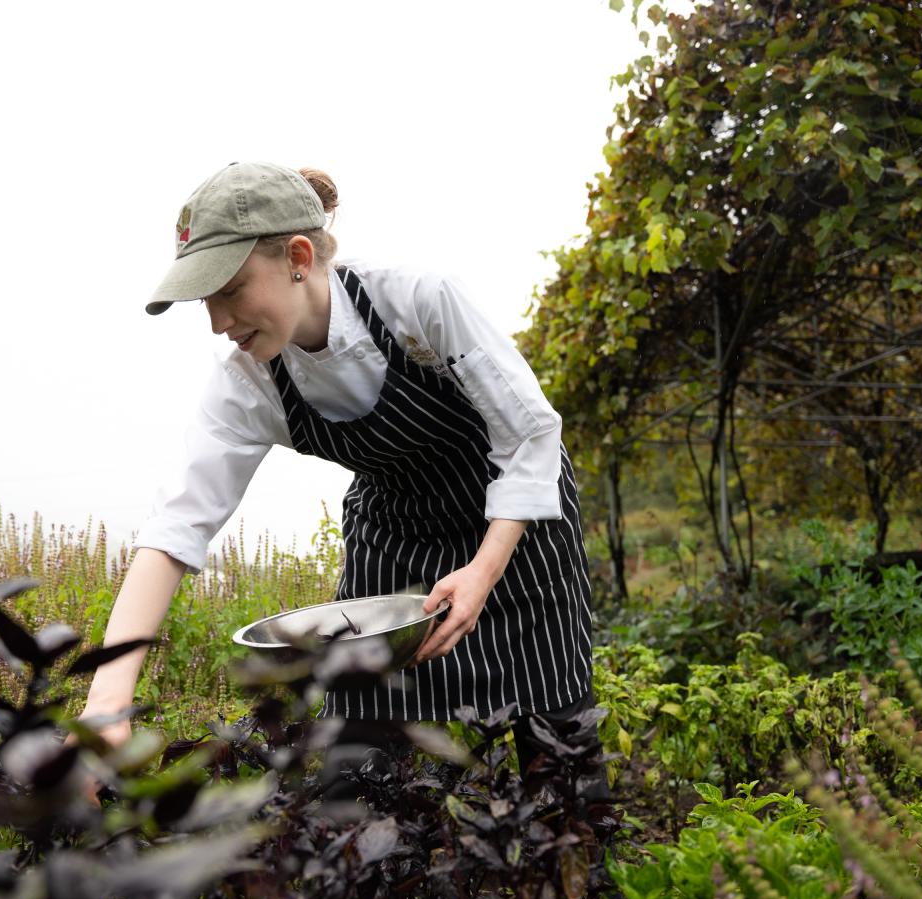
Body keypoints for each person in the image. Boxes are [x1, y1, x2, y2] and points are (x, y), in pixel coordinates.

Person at [75, 160, 600, 800]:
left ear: (298, 256)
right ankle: (382, 884)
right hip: (397, 530)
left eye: (231, 290)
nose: (218, 322)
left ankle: (572, 877)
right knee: (360, 746)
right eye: (204, 301)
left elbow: (530, 434)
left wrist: (485, 568)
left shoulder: (418, 302)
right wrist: (108, 698)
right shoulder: (248, 383)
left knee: (555, 738)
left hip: (515, 523)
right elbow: (177, 528)